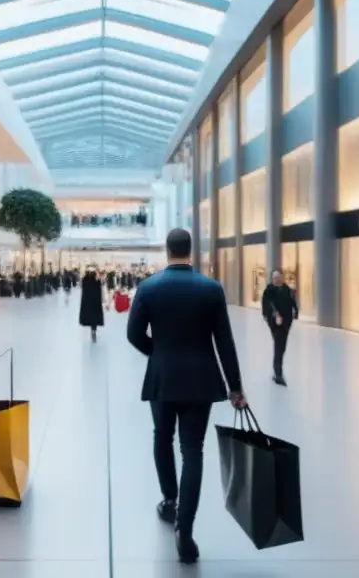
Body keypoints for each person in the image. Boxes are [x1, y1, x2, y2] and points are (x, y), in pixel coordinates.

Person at [126, 228, 246, 564]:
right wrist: (235, 387)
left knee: (162, 438)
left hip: (162, 379)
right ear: (191, 251)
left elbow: (133, 333)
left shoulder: (149, 287)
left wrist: (157, 352)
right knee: (193, 449)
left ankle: (169, 500)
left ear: (167, 251)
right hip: (200, 380)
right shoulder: (210, 289)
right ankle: (185, 528)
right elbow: (225, 341)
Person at [261, 268, 298, 386]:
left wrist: (296, 312)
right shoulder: (269, 290)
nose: (276, 279)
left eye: (278, 277)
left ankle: (277, 372)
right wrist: (273, 316)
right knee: (278, 347)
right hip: (275, 323)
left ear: (282, 277)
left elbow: (293, 303)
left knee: (281, 347)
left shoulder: (287, 290)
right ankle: (278, 374)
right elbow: (265, 306)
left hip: (286, 323)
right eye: (274, 277)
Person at [79, 266, 104, 342]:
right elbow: (99, 293)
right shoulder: (97, 282)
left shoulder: (84, 281)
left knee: (89, 317)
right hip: (95, 304)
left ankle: (92, 330)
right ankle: (93, 331)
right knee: (94, 320)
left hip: (87, 304)